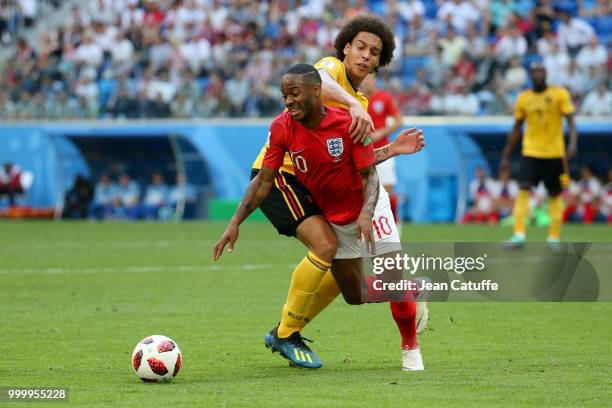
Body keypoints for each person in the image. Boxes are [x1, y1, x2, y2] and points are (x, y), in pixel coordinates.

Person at [237, 15, 427, 371]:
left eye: (375, 52)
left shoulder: (360, 103)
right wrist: (353, 104)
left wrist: (393, 149)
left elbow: (359, 161)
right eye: (360, 47)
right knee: (325, 247)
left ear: (380, 61)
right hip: (282, 175)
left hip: (316, 186)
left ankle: (286, 331)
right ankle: (285, 332)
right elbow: (320, 79)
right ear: (345, 47)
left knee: (346, 281)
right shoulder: (331, 71)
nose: (366, 56)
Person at [500, 62, 577, 248]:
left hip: (554, 153)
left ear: (546, 73)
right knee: (523, 189)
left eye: (541, 71)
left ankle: (554, 237)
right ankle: (518, 235)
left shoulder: (559, 94)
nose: (538, 74)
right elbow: (516, 128)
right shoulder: (524, 98)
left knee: (554, 194)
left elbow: (571, 121)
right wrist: (505, 156)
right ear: (530, 74)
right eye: (534, 72)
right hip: (531, 152)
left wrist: (573, 143)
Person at [360, 73, 402, 225]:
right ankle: (372, 227)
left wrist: (381, 132)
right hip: (363, 153)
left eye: (370, 78)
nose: (367, 82)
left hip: (384, 151)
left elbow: (399, 121)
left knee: (388, 190)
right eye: (364, 79)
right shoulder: (356, 99)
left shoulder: (384, 98)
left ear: (375, 80)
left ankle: (394, 224)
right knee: (363, 193)